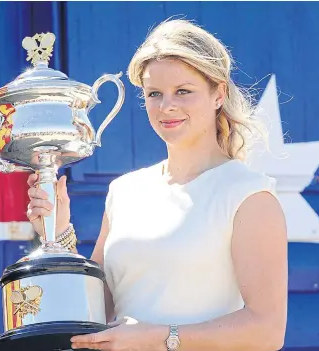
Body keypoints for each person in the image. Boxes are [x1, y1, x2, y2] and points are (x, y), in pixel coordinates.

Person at [26, 18, 287, 351]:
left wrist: (158, 338)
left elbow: (266, 332)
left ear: (218, 94)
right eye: (154, 94)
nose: (167, 107)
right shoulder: (125, 191)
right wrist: (59, 234)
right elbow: (94, 313)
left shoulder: (248, 195)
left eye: (183, 91)